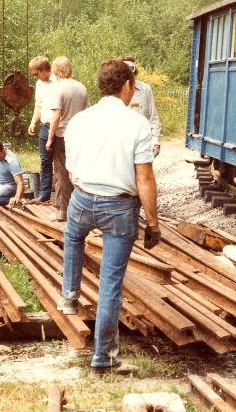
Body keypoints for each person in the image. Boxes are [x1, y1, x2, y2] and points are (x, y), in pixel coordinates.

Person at [59, 58, 160, 375]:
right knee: (110, 285)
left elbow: (71, 171)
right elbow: (144, 178)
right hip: (119, 207)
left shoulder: (79, 121)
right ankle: (104, 357)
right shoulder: (137, 125)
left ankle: (69, 297)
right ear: (128, 85)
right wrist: (153, 222)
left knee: (74, 238)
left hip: (82, 198)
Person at [46, 56, 88, 221]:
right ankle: (80, 210)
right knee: (78, 172)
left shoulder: (58, 88)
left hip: (63, 135)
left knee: (62, 172)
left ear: (57, 71)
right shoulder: (81, 87)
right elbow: (87, 112)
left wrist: (50, 138)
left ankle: (62, 211)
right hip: (80, 135)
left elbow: (56, 115)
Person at [27, 56, 56, 202]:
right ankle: (44, 195)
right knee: (45, 161)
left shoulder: (59, 82)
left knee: (62, 163)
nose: (35, 77)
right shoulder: (39, 84)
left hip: (60, 129)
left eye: (36, 74)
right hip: (45, 127)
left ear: (44, 70)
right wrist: (33, 122)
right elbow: (38, 105)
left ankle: (64, 196)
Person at [122, 55, 162, 157]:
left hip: (142, 140)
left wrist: (156, 140)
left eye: (131, 69)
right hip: (122, 141)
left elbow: (153, 116)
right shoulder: (116, 89)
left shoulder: (145, 89)